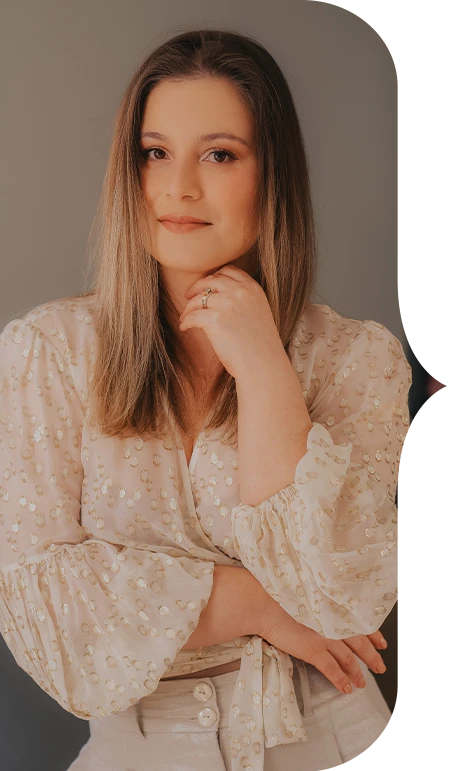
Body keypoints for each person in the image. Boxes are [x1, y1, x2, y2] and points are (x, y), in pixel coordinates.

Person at [0, 27, 417, 771]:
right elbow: (44, 609)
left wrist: (263, 368)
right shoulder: (50, 352)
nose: (178, 187)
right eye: (155, 152)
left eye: (219, 154)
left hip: (332, 740)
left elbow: (334, 595)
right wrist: (257, 604)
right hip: (136, 749)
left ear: (272, 174)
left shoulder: (358, 360)